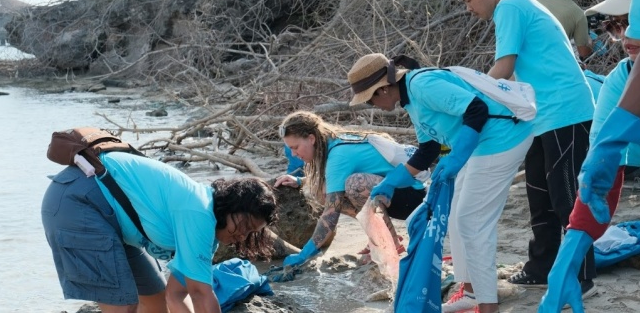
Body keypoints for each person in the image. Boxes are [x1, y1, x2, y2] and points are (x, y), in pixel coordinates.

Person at [450, 0, 597, 298]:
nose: (470, 9)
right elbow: (515, 75)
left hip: (566, 111)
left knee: (565, 197)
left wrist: (469, 101)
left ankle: (583, 277)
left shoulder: (510, 7)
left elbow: (504, 66)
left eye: (470, 0)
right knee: (539, 195)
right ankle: (540, 268)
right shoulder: (516, 4)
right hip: (541, 115)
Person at [347, 53, 533, 313]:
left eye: (370, 98)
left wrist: (456, 158)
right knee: (456, 217)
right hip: (479, 145)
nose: (372, 105)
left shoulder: (423, 86)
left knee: (471, 223)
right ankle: (470, 292)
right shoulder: (410, 100)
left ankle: (488, 306)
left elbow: (476, 109)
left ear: (384, 88)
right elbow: (428, 150)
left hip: (503, 138)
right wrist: (391, 182)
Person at [41, 151, 277, 313]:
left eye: (251, 232)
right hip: (78, 203)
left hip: (116, 224)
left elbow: (175, 294)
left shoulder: (208, 230)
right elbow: (200, 294)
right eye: (244, 225)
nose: (243, 235)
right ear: (232, 207)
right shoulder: (199, 212)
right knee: (124, 306)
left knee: (155, 301)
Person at [539, 0, 640, 312]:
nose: (625, 36)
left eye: (633, 20)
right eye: (616, 25)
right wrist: (567, 260)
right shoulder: (620, 79)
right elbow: (602, 170)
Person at [273, 110, 427, 266]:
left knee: (355, 184)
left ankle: (386, 244)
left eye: (295, 147)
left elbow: (330, 216)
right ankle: (382, 236)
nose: (293, 154)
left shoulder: (338, 154)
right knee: (320, 189)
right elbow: (334, 178)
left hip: (413, 199)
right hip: (392, 194)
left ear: (311, 138)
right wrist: (301, 181)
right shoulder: (331, 143)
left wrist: (303, 255)